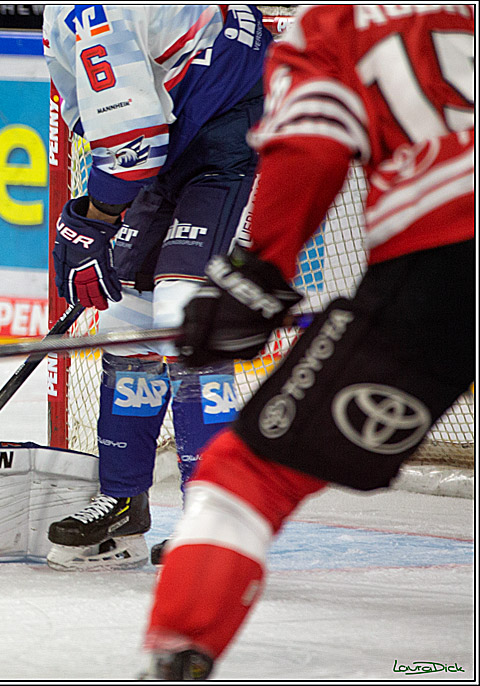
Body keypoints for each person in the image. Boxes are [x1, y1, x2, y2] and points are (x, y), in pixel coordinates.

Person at [141, 4, 475, 679]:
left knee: (246, 477)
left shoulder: (335, 22)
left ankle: (177, 655)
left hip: (441, 267)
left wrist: (259, 273)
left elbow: (312, 144)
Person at [42, 5, 273, 570]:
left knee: (182, 311)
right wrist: (100, 212)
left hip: (238, 142)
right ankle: (124, 502)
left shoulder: (88, 13)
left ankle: (213, 517)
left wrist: (94, 218)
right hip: (179, 144)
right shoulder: (62, 17)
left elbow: (131, 145)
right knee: (128, 322)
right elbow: (107, 129)